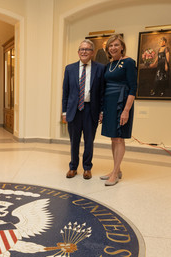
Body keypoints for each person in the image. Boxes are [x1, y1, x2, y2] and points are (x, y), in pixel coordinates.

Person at [62, 39, 105, 180]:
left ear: (92, 52)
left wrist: (102, 111)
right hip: (74, 110)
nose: (84, 52)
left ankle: (87, 168)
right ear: (78, 52)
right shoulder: (70, 68)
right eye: (81, 49)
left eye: (87, 49)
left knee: (89, 141)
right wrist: (64, 112)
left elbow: (102, 93)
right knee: (74, 141)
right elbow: (66, 92)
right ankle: (73, 167)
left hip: (90, 110)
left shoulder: (100, 68)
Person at [99, 34, 137, 186]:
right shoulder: (109, 65)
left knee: (119, 137)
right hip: (109, 104)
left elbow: (133, 88)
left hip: (122, 103)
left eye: (116, 45)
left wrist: (126, 110)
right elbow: (105, 87)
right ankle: (117, 169)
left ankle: (115, 173)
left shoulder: (128, 62)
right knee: (113, 137)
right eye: (110, 46)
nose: (113, 48)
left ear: (122, 47)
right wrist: (102, 110)